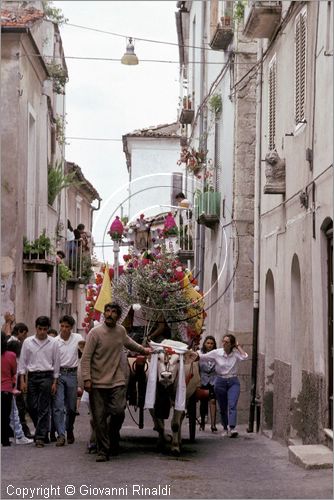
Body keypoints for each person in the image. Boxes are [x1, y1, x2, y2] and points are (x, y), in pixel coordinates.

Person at [81, 302, 151, 462]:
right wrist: (87, 379)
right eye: (107, 311)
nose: (110, 314)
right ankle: (103, 450)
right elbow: (86, 358)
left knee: (118, 412)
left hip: (117, 381)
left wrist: (144, 350)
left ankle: (113, 436)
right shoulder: (95, 333)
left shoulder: (120, 331)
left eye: (113, 312)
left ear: (118, 316)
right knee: (99, 419)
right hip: (97, 382)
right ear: (104, 313)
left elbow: (129, 343)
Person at [18, 316, 60, 448]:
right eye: (40, 329)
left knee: (43, 406)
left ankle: (40, 437)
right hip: (32, 376)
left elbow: (57, 363)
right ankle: (43, 429)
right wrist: (22, 380)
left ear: (47, 329)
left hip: (47, 376)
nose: (42, 332)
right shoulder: (28, 342)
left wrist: (55, 382)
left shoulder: (53, 343)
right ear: (36, 328)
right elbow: (22, 362)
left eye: (45, 329)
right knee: (31, 406)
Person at [198, 334, 248, 438]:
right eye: (223, 341)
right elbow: (203, 356)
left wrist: (238, 346)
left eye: (227, 342)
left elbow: (245, 357)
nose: (224, 343)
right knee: (222, 406)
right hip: (220, 381)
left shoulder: (235, 354)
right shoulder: (217, 353)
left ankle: (232, 428)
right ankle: (225, 427)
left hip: (233, 381)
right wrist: (193, 353)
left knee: (232, 404)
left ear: (231, 344)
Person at [53, 315, 84, 446]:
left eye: (67, 327)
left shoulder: (77, 338)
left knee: (71, 408)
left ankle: (69, 429)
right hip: (59, 374)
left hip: (72, 374)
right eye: (62, 326)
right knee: (58, 406)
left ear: (71, 328)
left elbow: (84, 350)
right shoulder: (55, 341)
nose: (64, 329)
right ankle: (61, 435)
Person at [7, 322, 33, 439]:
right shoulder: (15, 344)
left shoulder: (8, 341)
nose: (25, 337)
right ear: (20, 332)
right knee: (19, 405)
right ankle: (22, 430)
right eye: (24, 334)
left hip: (11, 379)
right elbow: (20, 364)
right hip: (14, 378)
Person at [198, 335, 218, 432]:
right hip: (203, 379)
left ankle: (213, 424)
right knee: (203, 402)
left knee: (213, 400)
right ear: (205, 344)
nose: (210, 345)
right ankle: (202, 422)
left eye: (211, 343)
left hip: (214, 380)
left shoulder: (216, 354)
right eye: (208, 343)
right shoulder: (200, 353)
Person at [1, 332, 17, 446]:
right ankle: (5, 440)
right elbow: (14, 371)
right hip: (6, 388)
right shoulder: (11, 355)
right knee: (5, 415)